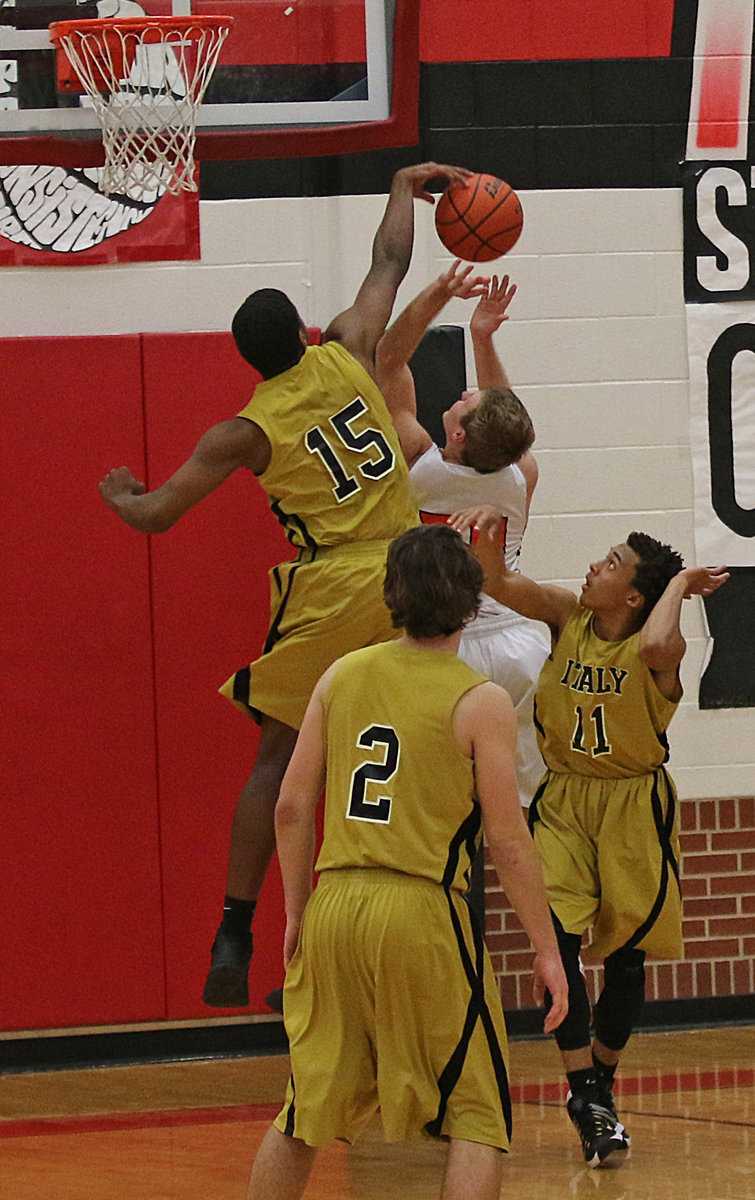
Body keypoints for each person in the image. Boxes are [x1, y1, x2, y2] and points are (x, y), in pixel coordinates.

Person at [98, 161, 471, 1009]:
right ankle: (408, 928)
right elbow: (387, 262)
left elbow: (157, 516)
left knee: (276, 758)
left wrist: (121, 498)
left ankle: (237, 927)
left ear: (246, 359)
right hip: (409, 569)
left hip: (332, 586)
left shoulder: (243, 431)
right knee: (414, 748)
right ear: (301, 331)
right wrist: (403, 188)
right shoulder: (346, 346)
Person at [246, 524, 568, 1200]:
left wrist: (297, 909)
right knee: (478, 1111)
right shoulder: (480, 701)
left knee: (305, 1109)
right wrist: (545, 947)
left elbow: (289, 808)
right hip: (421, 909)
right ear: (473, 603)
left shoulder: (341, 674)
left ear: (389, 596)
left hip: (335, 901)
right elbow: (507, 841)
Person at [451, 508, 729, 1168]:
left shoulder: (655, 649)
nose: (592, 567)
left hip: (633, 807)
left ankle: (602, 1074)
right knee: (559, 941)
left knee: (626, 964)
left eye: (608, 565)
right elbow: (495, 583)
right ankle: (583, 1093)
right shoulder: (562, 617)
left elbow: (659, 644)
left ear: (634, 595)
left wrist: (679, 585)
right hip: (565, 802)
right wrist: (487, 522)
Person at [374, 260, 550, 806]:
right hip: (522, 646)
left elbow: (388, 359)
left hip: (448, 646)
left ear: (454, 431)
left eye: (465, 400)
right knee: (520, 807)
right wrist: (482, 336)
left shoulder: (418, 460)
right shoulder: (521, 476)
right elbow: (506, 419)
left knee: (443, 798)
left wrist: (438, 294)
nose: (464, 393)